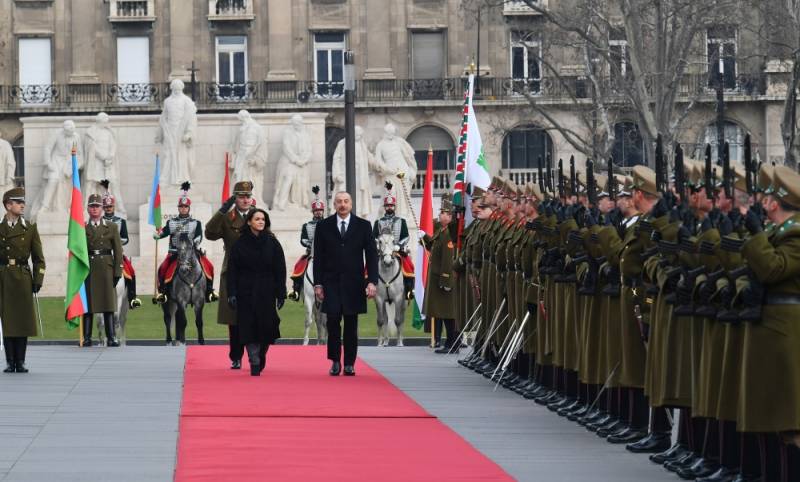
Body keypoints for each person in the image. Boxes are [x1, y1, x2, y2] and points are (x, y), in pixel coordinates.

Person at [313, 191, 378, 376]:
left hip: (354, 284)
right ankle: (335, 361)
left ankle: (349, 363)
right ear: (334, 204)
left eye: (346, 201)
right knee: (332, 322)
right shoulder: (323, 226)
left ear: (351, 204)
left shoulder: (364, 226)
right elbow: (318, 258)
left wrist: (372, 281)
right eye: (339, 201)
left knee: (351, 325)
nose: (343, 204)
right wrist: (318, 283)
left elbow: (372, 256)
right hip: (330, 283)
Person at [226, 208, 286, 376]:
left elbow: (280, 269)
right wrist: (232, 293)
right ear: (249, 222)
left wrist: (281, 293)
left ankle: (261, 354)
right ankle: (254, 359)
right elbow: (232, 271)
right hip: (245, 291)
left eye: (263, 219)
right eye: (257, 219)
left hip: (267, 291)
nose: (261, 222)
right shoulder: (239, 244)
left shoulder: (273, 243)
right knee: (248, 326)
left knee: (267, 326)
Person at [205, 181, 255, 369]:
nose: (245, 200)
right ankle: (236, 355)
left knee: (253, 316)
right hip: (233, 271)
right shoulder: (227, 218)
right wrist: (221, 211)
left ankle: (253, 354)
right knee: (233, 319)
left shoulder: (257, 216)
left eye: (247, 196)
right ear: (235, 199)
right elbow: (210, 233)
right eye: (241, 196)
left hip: (254, 271)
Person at [1, 188, 45, 373]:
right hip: (4, 277)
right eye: (18, 202)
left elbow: (39, 258)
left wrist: (38, 280)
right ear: (8, 205)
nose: (22, 205)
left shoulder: (30, 227)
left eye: (22, 202)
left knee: (23, 319)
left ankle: (21, 360)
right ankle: (11, 361)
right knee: (8, 320)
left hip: (23, 277)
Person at [154, 183, 216, 303]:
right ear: (178, 208)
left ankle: (209, 291)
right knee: (162, 269)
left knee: (209, 266)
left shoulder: (196, 223)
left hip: (191, 253)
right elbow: (165, 232)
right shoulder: (171, 222)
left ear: (189, 208)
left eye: (185, 207)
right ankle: (163, 292)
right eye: (181, 206)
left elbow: (199, 236)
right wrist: (158, 235)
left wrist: (194, 243)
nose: (183, 209)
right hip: (174, 253)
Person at [82, 194, 124, 347]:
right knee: (88, 305)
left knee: (108, 303)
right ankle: (86, 337)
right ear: (87, 208)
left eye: (97, 206)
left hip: (106, 266)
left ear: (101, 208)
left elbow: (118, 251)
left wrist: (118, 271)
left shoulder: (111, 227)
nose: (94, 209)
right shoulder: (82, 227)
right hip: (89, 268)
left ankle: (111, 336)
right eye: (92, 206)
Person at [422, 193, 458, 353]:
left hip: (443, 279)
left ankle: (452, 342)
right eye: (441, 212)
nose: (440, 214)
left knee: (448, 312)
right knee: (443, 311)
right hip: (437, 278)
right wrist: (424, 239)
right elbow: (433, 248)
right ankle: (450, 342)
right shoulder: (441, 231)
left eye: (444, 213)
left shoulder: (448, 233)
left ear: (450, 216)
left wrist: (446, 280)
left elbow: (448, 259)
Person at [373, 182, 415, 300]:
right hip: (382, 251)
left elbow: (406, 236)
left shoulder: (401, 221)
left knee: (409, 266)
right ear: (384, 207)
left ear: (394, 206)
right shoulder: (378, 222)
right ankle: (367, 289)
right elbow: (373, 237)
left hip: (397, 250)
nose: (389, 207)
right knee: (368, 266)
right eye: (387, 205)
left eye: (391, 205)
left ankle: (409, 290)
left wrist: (399, 245)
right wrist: (379, 245)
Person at [101, 183, 140, 309]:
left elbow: (125, 239)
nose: (108, 209)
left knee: (131, 272)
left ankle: (132, 299)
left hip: (117, 253)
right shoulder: (98, 221)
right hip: (101, 253)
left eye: (110, 206)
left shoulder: (121, 221)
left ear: (114, 206)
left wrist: (115, 243)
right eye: (106, 207)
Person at [289, 186, 324, 301]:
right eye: (316, 211)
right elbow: (302, 239)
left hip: (327, 254)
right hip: (311, 253)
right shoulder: (307, 225)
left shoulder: (329, 224)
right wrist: (309, 244)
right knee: (298, 267)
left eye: (320, 211)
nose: (318, 213)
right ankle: (296, 291)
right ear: (313, 212)